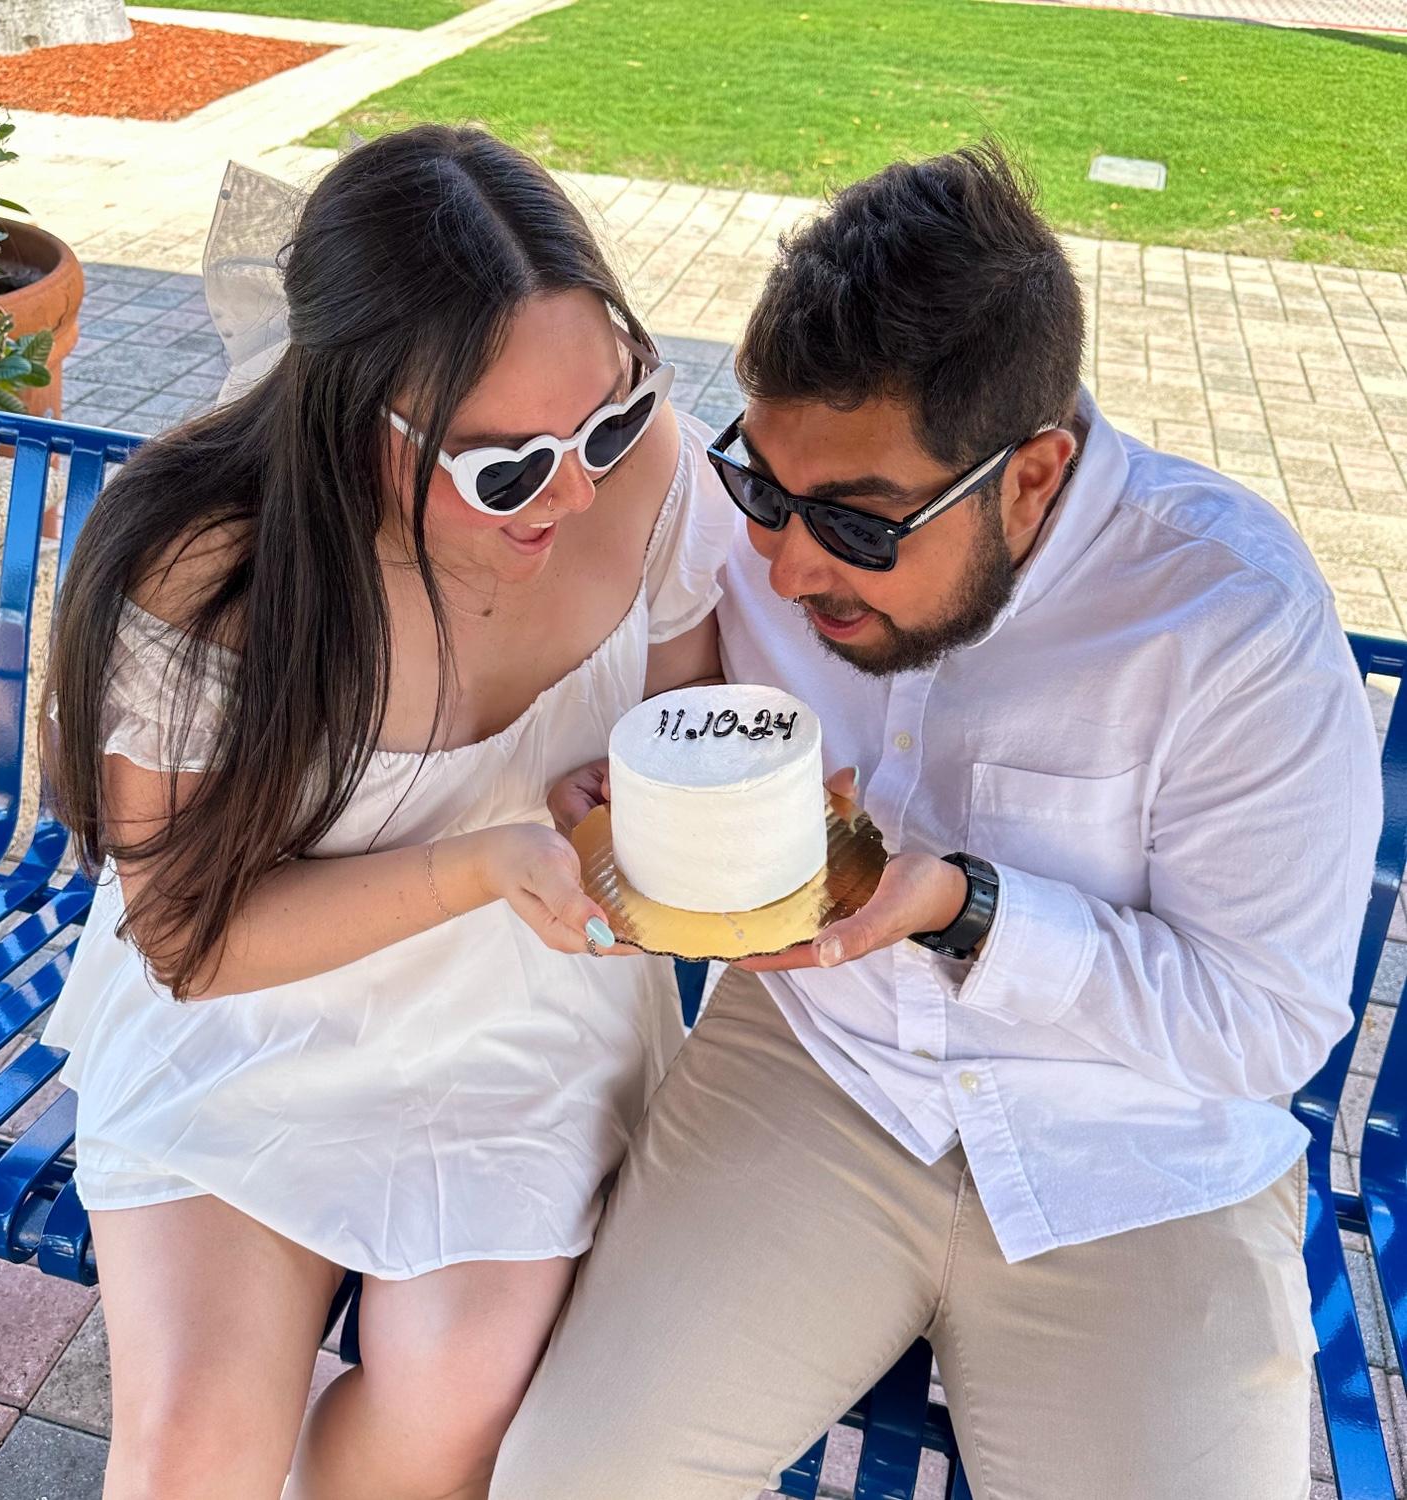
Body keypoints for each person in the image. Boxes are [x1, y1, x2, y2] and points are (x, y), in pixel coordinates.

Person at [511, 143, 1380, 1500]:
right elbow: (661, 694)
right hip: (820, 1070)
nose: (786, 567)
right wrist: (629, 791)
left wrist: (973, 912)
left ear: (1032, 476)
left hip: (1136, 1153)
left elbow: (1266, 1021)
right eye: (765, 490)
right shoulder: (753, 536)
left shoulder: (1230, 619)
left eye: (859, 527)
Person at [40, 124, 730, 1500]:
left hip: (526, 1025)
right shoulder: (209, 564)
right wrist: (478, 864)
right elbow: (190, 942)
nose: (576, 489)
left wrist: (626, 802)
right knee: (190, 1456)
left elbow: (680, 725)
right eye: (506, 467)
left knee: (450, 1417)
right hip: (254, 1014)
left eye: (605, 418)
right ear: (354, 423)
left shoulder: (648, 473)